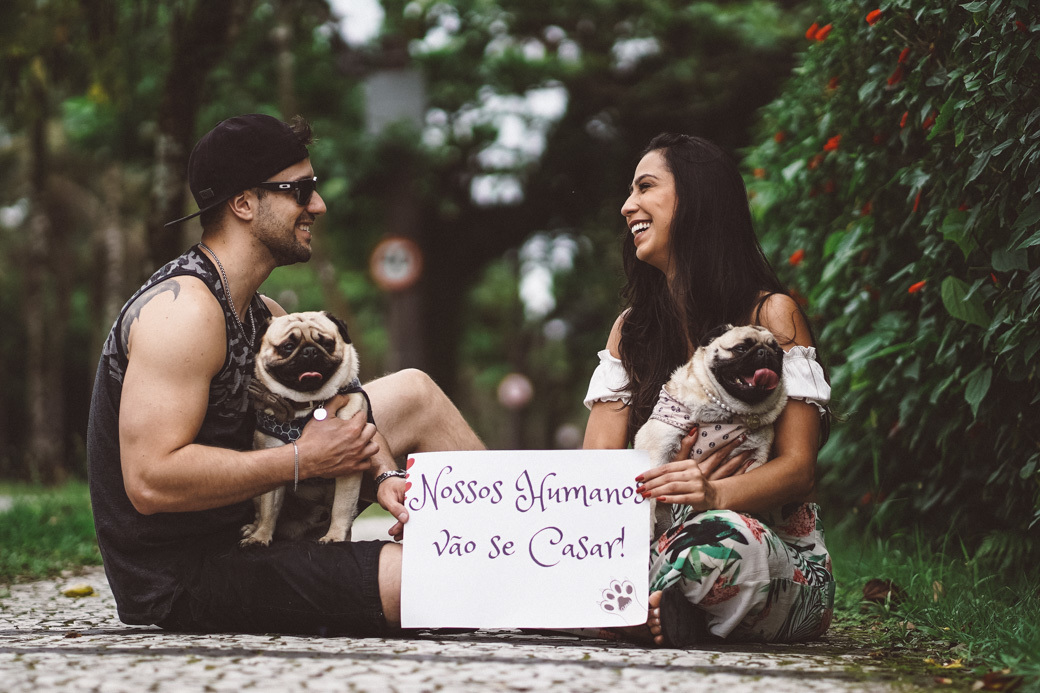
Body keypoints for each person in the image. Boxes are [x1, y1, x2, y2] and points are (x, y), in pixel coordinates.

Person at [86, 113, 484, 635]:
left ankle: (530, 540)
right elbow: (150, 481)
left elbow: (343, 407)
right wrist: (303, 459)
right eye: (301, 191)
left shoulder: (263, 313)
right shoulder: (183, 311)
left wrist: (384, 473)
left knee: (414, 392)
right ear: (244, 203)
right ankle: (550, 583)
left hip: (260, 525)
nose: (317, 205)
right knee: (456, 579)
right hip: (190, 577)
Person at [582, 133, 834, 646]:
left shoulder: (771, 316)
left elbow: (800, 468)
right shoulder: (630, 331)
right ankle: (656, 608)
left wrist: (713, 493)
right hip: (655, 538)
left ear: (696, 199)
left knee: (722, 541)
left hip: (767, 552)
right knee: (573, 553)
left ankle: (630, 606)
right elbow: (596, 471)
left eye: (646, 187)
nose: (628, 205)